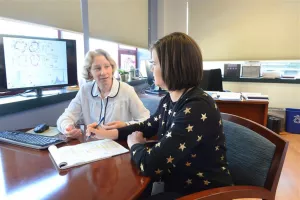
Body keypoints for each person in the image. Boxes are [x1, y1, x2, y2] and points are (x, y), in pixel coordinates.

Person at [86, 33, 233, 198]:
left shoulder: (197, 107)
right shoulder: (169, 99)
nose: (151, 68)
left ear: (173, 66)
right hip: (177, 184)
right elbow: (147, 126)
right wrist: (112, 132)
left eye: (154, 63)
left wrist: (135, 144)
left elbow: (150, 165)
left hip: (203, 193)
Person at [57, 49, 150, 138]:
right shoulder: (85, 90)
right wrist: (68, 129)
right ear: (90, 72)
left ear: (112, 67)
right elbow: (65, 117)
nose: (103, 72)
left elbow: (146, 119)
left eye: (107, 66)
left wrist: (125, 125)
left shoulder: (127, 90)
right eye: (97, 68)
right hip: (93, 145)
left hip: (120, 144)